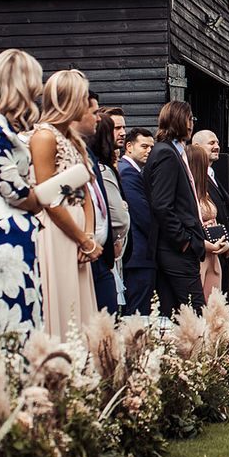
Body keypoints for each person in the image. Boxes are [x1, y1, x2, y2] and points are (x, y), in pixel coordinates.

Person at [28, 70, 101, 340]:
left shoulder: (72, 140)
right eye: (83, 98)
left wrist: (89, 236)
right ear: (69, 100)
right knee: (62, 298)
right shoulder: (44, 137)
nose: (86, 105)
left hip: (79, 236)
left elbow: (86, 194)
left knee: (79, 305)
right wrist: (82, 239)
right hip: (57, 232)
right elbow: (48, 197)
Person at [143, 102, 227, 317]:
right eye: (190, 119)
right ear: (180, 121)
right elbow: (162, 205)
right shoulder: (166, 154)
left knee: (175, 313)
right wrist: (185, 241)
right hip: (174, 250)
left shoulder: (174, 152)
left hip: (177, 249)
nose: (191, 124)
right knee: (196, 310)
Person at [0, 49, 45, 333]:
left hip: (12, 230)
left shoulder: (3, 127)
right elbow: (15, 190)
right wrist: (42, 195)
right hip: (4, 235)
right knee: (11, 319)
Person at [73, 91, 117, 315]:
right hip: (79, 253)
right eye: (94, 112)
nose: (99, 118)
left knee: (108, 319)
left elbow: (93, 198)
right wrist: (84, 239)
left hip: (99, 252)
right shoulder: (56, 145)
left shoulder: (88, 152)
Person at [89, 114, 130, 312]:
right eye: (116, 129)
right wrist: (116, 238)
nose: (122, 133)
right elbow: (119, 218)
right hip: (104, 247)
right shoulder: (103, 170)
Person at [191, 129, 229, 297]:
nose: (217, 146)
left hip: (222, 252)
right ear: (196, 147)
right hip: (205, 252)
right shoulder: (194, 180)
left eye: (217, 143)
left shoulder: (213, 176)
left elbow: (226, 215)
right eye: (211, 143)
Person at [118, 127, 156, 315]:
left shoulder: (134, 172)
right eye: (144, 146)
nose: (149, 151)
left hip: (140, 255)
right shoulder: (127, 173)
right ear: (129, 147)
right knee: (136, 313)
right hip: (138, 255)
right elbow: (142, 214)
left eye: (151, 147)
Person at [186, 144, 226, 302]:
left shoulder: (205, 192)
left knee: (214, 302)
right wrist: (207, 244)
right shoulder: (189, 193)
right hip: (200, 252)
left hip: (214, 253)